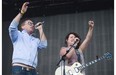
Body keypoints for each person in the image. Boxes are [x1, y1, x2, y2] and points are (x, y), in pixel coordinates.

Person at [8, 2, 47, 75]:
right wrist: (21, 13)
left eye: (32, 24)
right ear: (23, 26)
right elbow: (12, 27)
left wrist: (40, 29)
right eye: (29, 23)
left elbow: (44, 45)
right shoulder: (18, 35)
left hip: (32, 70)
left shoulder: (35, 40)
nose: (32, 25)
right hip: (19, 68)